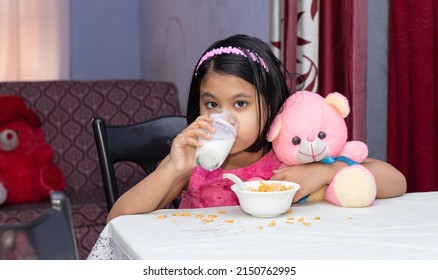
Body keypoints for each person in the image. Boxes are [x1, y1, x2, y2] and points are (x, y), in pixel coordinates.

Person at [106, 34, 406, 222]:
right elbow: (118, 219)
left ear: (272, 104)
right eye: (212, 105)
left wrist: (324, 172)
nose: (225, 117)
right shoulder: (194, 168)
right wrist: (172, 167)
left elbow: (396, 182)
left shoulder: (291, 157)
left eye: (240, 104)